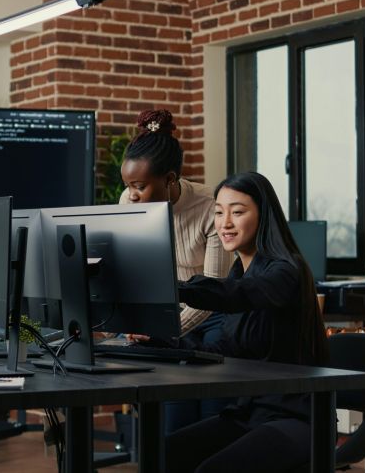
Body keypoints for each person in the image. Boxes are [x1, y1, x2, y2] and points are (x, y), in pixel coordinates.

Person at [166, 171, 329, 473]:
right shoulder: (239, 273)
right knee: (165, 455)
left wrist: (173, 287)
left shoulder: (285, 271)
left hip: (296, 417)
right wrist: (162, 343)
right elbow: (221, 346)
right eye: (218, 212)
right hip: (250, 412)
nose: (225, 223)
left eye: (237, 212)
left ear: (263, 216)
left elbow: (240, 295)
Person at [119, 109, 234, 433]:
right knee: (172, 415)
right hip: (164, 314)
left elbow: (212, 291)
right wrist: (137, 319)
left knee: (212, 413)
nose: (131, 195)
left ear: (169, 179)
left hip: (212, 314)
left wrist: (163, 328)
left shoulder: (210, 205)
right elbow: (132, 273)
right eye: (127, 185)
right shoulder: (130, 204)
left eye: (139, 186)